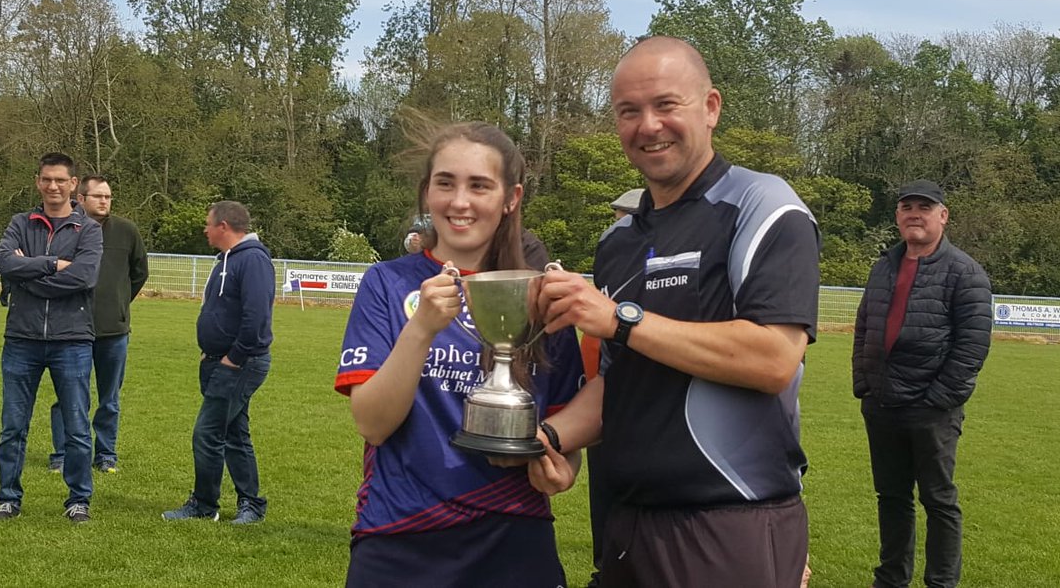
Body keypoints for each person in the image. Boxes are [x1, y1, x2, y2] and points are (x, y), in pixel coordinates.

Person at [529, 36, 821, 587]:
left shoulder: (762, 205)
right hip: (627, 523)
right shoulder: (617, 241)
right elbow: (619, 384)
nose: (648, 125)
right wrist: (544, 437)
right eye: (629, 111)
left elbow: (774, 359)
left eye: (666, 104)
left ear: (710, 107)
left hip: (728, 526)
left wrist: (622, 320)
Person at [335, 122, 585, 588]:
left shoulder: (543, 297)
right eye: (445, 183)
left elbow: (564, 429)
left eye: (479, 186)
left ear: (511, 198)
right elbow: (373, 424)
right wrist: (421, 329)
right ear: (426, 191)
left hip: (515, 536)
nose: (460, 201)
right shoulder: (387, 283)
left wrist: (562, 470)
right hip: (401, 532)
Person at [852, 179, 992, 588]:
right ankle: (891, 579)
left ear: (943, 216)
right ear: (898, 215)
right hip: (882, 404)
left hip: (932, 411)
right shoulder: (883, 266)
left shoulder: (965, 273)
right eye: (907, 207)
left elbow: (972, 346)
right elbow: (864, 325)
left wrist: (938, 399)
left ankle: (941, 582)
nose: (914, 214)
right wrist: (864, 383)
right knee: (892, 498)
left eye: (924, 207)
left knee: (939, 500)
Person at [0, 152, 103, 523]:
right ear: (37, 182)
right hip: (21, 339)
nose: (52, 186)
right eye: (46, 179)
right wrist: (52, 264)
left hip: (72, 339)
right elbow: (5, 262)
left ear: (73, 184)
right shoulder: (20, 222)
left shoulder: (89, 229)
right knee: (13, 426)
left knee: (76, 426)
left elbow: (84, 277)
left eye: (60, 180)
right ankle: (8, 498)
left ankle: (79, 499)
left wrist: (27, 278)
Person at [162, 201, 274, 524]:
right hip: (219, 361)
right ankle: (250, 503)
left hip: (240, 363)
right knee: (234, 434)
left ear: (223, 226)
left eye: (208, 224)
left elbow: (256, 317)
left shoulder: (252, 260)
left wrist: (232, 359)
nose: (205, 230)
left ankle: (204, 505)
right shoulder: (226, 260)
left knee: (207, 432)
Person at [48, 175, 149, 474]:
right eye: (98, 196)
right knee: (68, 396)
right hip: (71, 328)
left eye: (108, 196)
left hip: (114, 331)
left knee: (109, 399)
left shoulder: (126, 231)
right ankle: (62, 454)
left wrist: (118, 302)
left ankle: (105, 455)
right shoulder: (66, 229)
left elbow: (139, 273)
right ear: (81, 198)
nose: (104, 201)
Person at [581, 187, 644, 587]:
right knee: (606, 494)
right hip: (602, 402)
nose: (617, 224)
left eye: (624, 216)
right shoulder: (613, 253)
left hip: (648, 411)